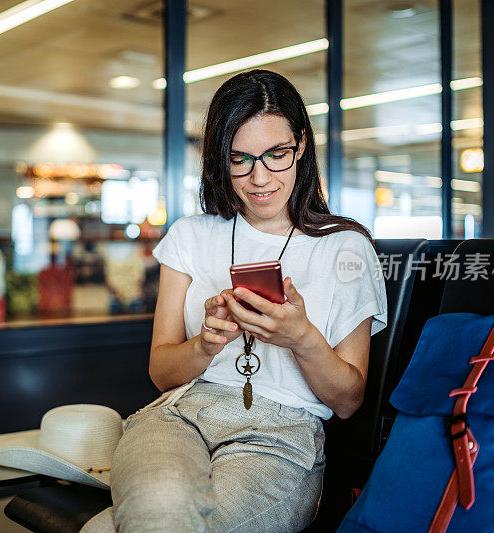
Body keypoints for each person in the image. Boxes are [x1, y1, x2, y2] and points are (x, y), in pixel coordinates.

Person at [82, 70, 387, 533]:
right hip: (180, 415)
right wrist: (206, 344)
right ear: (218, 159)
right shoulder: (190, 235)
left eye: (276, 155)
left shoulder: (345, 247)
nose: (259, 177)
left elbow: (348, 401)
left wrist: (300, 337)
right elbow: (161, 372)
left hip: (280, 435)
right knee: (158, 512)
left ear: (301, 145)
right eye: (240, 158)